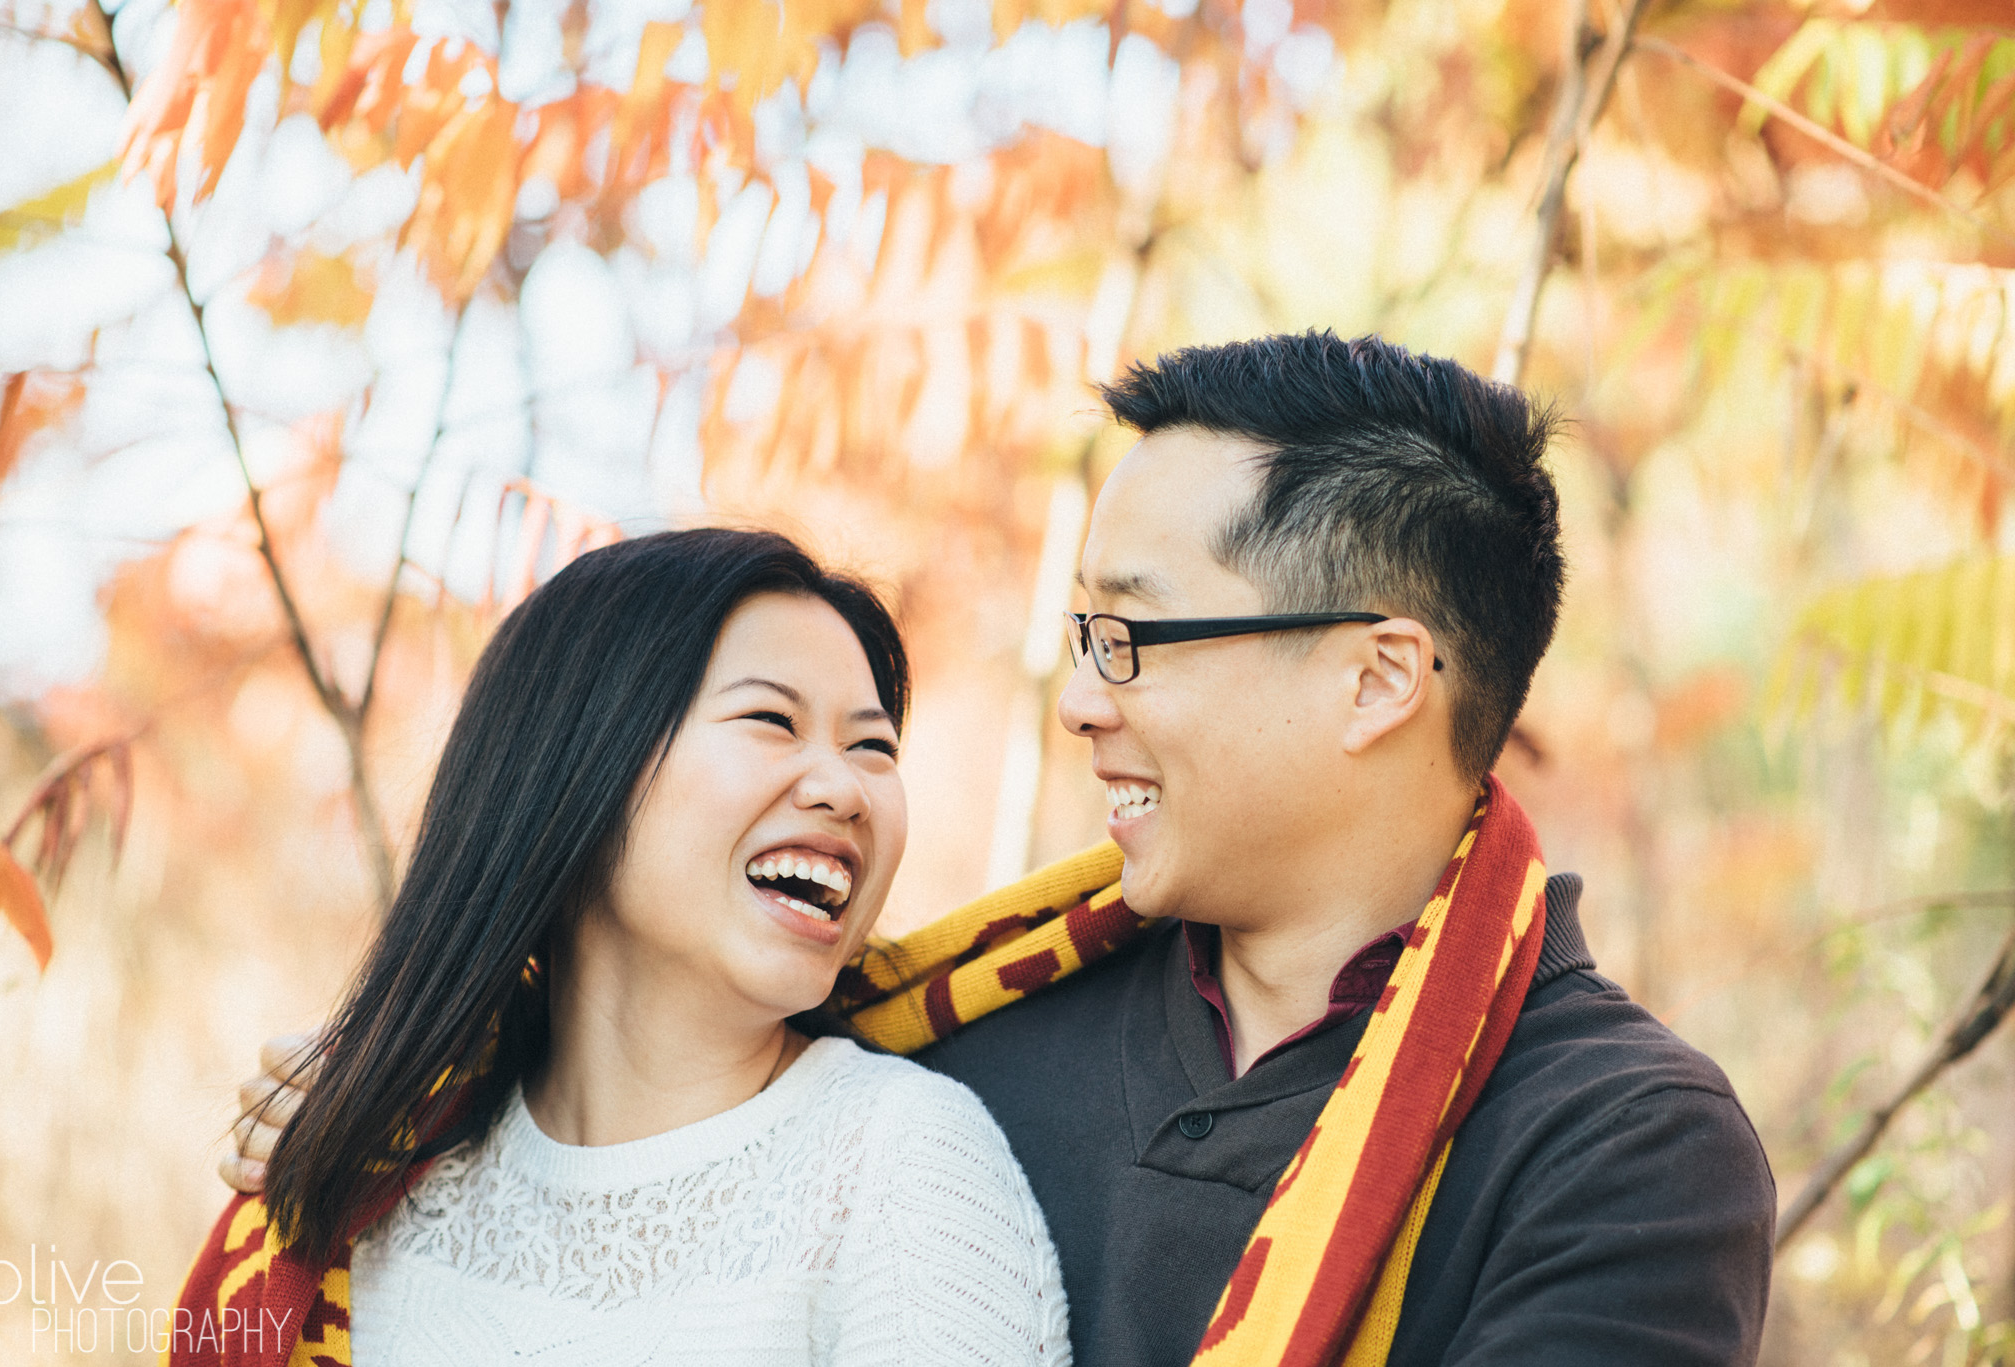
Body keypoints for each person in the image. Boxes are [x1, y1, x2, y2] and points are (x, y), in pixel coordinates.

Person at [229, 332, 1775, 1366]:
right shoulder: (982, 1031)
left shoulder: (1616, 1145)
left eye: (1129, 633)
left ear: (1376, 675)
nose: (1080, 705)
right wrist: (392, 1083)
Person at [173, 530, 1072, 1366]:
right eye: (771, 720)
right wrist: (359, 1116)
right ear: (574, 775)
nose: (845, 786)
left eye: (872, 744)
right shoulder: (374, 1175)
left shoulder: (901, 1168)